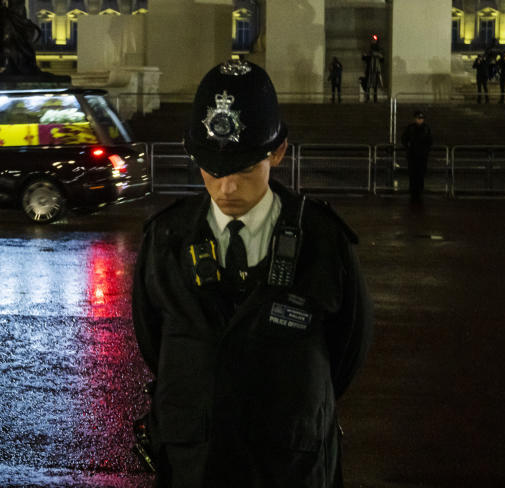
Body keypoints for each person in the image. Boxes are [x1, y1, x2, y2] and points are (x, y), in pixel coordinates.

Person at [132, 59, 372, 487]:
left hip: (289, 469)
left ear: (278, 151)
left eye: (245, 169)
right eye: (213, 168)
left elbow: (348, 350)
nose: (227, 188)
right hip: (195, 468)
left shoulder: (324, 241)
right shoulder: (164, 239)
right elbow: (154, 343)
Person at [401, 110, 433, 201]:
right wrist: (408, 147)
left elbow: (430, 141)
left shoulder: (426, 128)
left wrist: (425, 150)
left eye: (421, 118)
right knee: (413, 173)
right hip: (413, 154)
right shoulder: (410, 128)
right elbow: (404, 139)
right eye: (418, 118)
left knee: (420, 173)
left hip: (422, 155)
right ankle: (413, 190)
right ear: (415, 119)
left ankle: (419, 190)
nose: (420, 120)